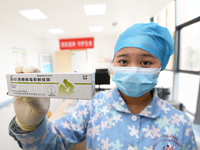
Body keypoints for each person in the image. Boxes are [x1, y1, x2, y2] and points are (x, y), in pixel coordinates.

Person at [9, 22, 197, 150]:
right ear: (113, 64)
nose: (132, 69)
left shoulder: (179, 123)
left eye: (145, 63)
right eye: (123, 61)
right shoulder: (93, 106)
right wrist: (31, 125)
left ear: (161, 66)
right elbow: (53, 145)